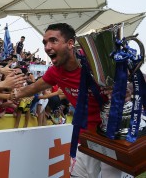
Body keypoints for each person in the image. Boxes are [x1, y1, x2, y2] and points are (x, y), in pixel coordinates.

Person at [12, 23, 123, 177]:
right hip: (84, 139)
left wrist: (125, 87)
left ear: (70, 43)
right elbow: (33, 88)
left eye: (53, 41)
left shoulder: (95, 64)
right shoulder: (55, 72)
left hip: (112, 138)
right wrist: (13, 93)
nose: (47, 47)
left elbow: (126, 84)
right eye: (45, 42)